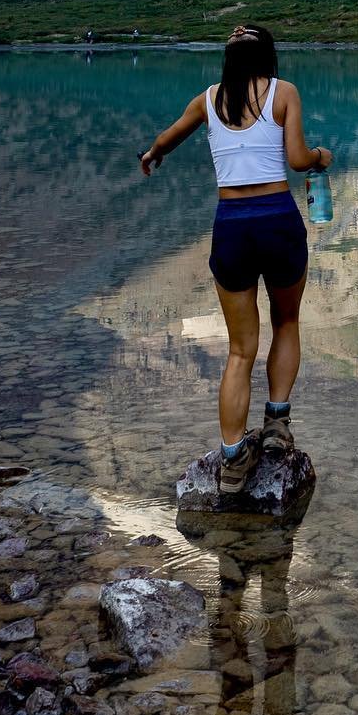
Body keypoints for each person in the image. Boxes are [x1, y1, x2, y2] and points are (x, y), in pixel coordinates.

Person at [139, 25, 332, 489]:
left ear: (228, 60)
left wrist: (153, 154)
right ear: (268, 56)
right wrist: (322, 155)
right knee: (286, 322)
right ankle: (276, 426)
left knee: (239, 350)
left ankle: (231, 461)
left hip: (232, 226)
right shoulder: (283, 93)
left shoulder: (207, 100)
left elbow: (168, 137)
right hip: (278, 221)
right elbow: (297, 160)